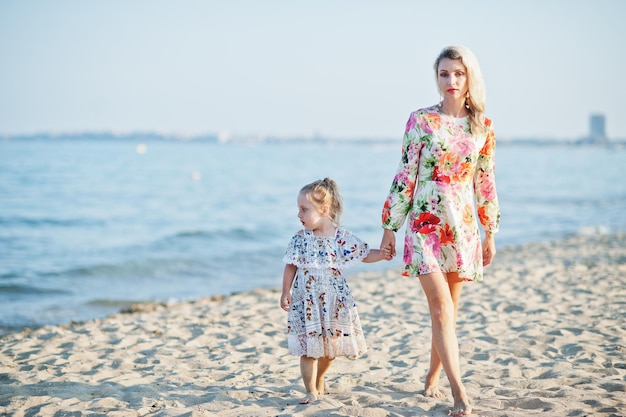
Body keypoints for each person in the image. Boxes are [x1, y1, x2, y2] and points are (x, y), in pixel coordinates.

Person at [379, 45, 500, 417]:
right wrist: (390, 226)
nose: (451, 80)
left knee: (448, 311)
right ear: (437, 78)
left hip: (461, 227)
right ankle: (458, 392)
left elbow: (485, 181)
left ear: (469, 78)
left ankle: (432, 376)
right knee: (440, 307)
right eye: (444, 74)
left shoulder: (482, 126)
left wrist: (489, 229)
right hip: (424, 225)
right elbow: (405, 175)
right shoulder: (420, 121)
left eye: (458, 74)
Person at [280, 177, 391, 405]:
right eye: (298, 209)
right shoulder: (300, 239)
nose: (298, 214)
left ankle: (320, 377)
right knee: (308, 349)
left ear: (323, 209)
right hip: (307, 302)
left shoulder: (341, 238)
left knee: (330, 349)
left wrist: (382, 254)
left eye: (304, 209)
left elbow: (363, 253)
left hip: (333, 301)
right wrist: (285, 291)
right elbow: (291, 264)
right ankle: (310, 390)